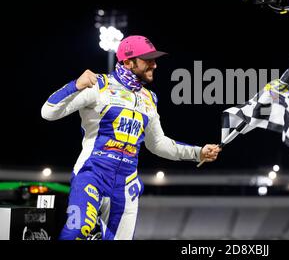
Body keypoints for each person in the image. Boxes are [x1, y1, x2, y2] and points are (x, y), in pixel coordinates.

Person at [41, 35, 221, 240]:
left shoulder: (150, 99)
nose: (154, 65)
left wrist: (198, 153)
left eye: (154, 59)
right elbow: (48, 112)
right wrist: (75, 85)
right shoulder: (99, 85)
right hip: (92, 174)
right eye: (148, 59)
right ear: (128, 61)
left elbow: (158, 144)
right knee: (77, 231)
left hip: (126, 185)